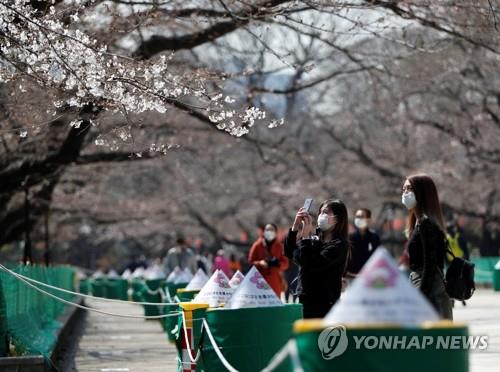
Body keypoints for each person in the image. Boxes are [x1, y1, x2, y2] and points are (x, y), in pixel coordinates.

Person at [284, 199, 350, 319]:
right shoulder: (314, 240)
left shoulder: (339, 244)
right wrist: (295, 227)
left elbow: (313, 263)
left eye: (326, 212)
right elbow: (291, 253)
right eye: (320, 212)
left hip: (324, 302)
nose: (321, 216)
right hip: (306, 298)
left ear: (337, 218)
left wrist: (305, 237)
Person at [402, 174, 453, 320]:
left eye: (410, 188)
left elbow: (430, 265)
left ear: (422, 193)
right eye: (404, 188)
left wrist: (421, 297)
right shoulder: (417, 222)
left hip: (429, 288)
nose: (405, 193)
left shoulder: (427, 224)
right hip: (421, 283)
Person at [248, 224, 289, 296]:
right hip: (259, 282)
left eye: (271, 230)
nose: (269, 232)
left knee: (274, 304)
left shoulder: (280, 247)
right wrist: (260, 263)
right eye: (267, 230)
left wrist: (277, 263)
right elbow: (250, 262)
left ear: (276, 232)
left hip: (275, 282)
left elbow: (286, 264)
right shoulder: (257, 245)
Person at [346, 208, 381, 278]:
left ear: (368, 220)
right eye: (357, 217)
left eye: (361, 216)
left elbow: (378, 258)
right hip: (352, 277)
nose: (359, 219)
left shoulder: (374, 237)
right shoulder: (349, 237)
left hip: (370, 277)